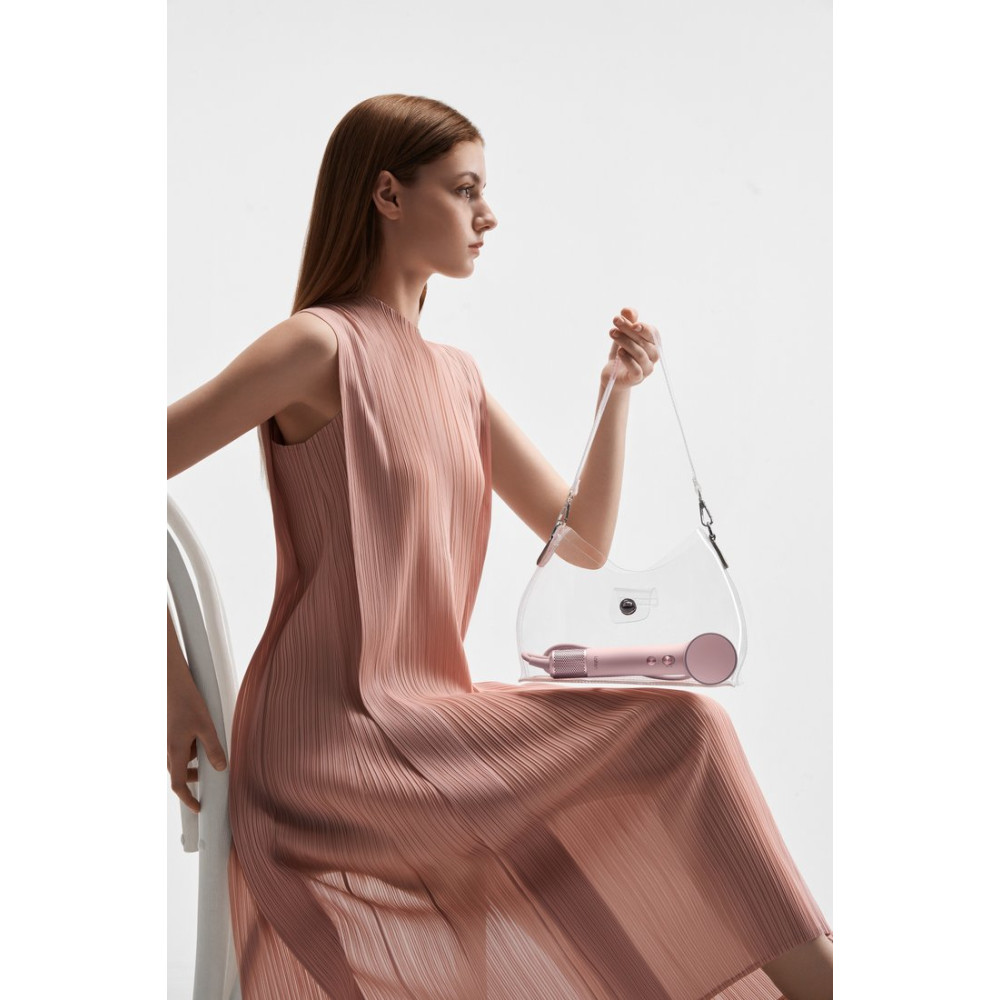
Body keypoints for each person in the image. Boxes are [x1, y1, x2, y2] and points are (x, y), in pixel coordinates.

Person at [167, 93, 833, 1000]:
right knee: (687, 729)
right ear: (388, 196)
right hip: (328, 742)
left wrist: (616, 392)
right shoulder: (315, 349)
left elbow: (582, 540)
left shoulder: (458, 379)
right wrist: (171, 684)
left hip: (429, 719)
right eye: (465, 189)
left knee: (677, 736)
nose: (488, 215)